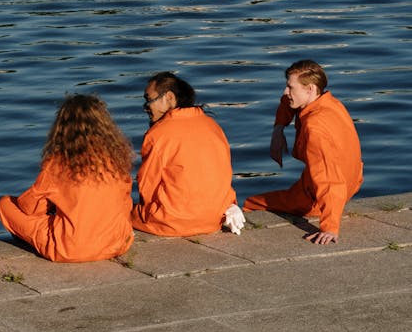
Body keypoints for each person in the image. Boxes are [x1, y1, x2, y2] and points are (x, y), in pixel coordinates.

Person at [0, 93, 134, 262]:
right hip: (117, 242)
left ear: (62, 127)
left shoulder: (58, 163)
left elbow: (30, 208)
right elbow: (125, 200)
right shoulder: (116, 158)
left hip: (71, 248)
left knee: (5, 205)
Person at [243, 60, 363, 245]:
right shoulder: (330, 103)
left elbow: (329, 179)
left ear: (310, 89)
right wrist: (279, 128)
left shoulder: (315, 128)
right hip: (352, 181)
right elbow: (287, 102)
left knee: (252, 202)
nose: (285, 92)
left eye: (290, 87)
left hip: (319, 195)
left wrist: (330, 227)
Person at [131, 72, 244, 238]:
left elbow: (147, 186)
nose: (145, 106)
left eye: (148, 99)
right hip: (214, 219)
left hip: (172, 222)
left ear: (169, 97)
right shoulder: (213, 126)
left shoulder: (158, 134)